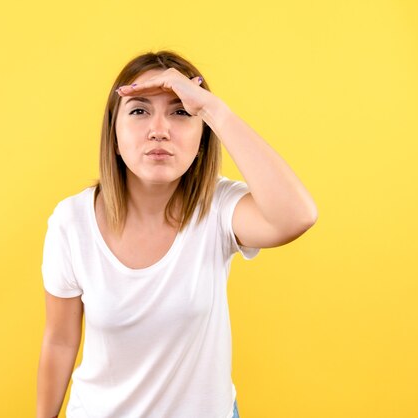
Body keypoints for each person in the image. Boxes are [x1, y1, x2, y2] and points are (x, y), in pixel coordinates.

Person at [36, 50, 318, 418]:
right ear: (114, 134)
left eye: (181, 111)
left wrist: (215, 110)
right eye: (139, 110)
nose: (159, 129)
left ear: (203, 138)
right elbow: (60, 341)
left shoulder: (217, 207)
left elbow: (297, 216)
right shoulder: (71, 222)